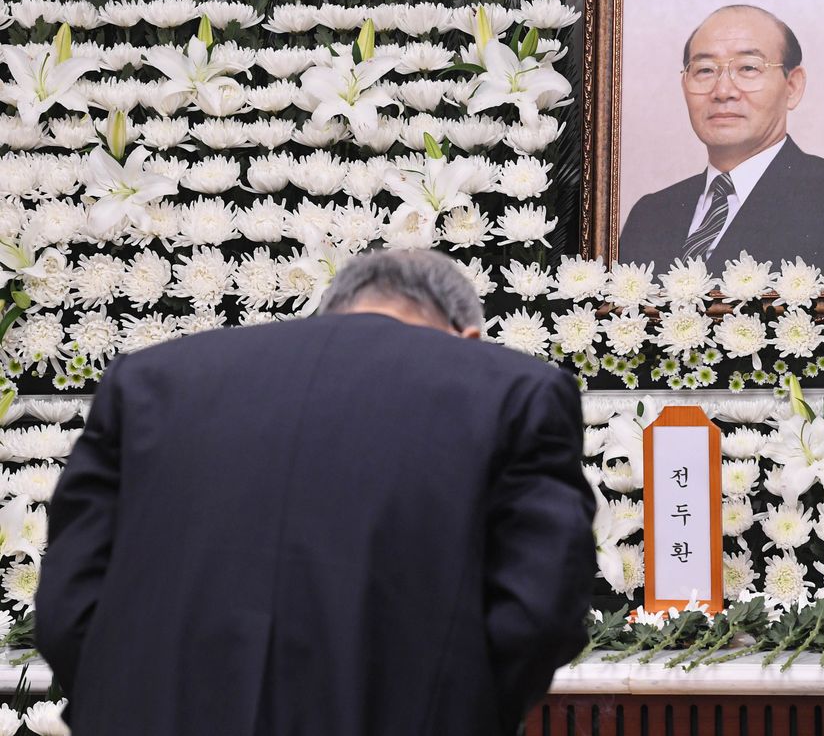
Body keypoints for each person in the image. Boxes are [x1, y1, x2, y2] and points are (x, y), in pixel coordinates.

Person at [35, 249, 597, 736]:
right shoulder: (513, 389)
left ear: (333, 311)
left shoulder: (148, 381)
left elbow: (69, 601)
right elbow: (539, 609)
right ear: (468, 338)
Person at [618, 4, 824, 276]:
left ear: (792, 87)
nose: (723, 91)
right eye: (704, 70)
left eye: (748, 68)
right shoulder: (649, 215)